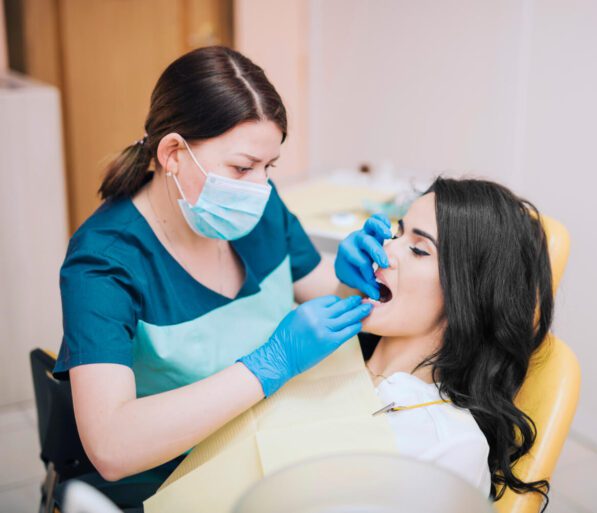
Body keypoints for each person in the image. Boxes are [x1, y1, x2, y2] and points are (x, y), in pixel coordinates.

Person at [52, 46, 378, 509]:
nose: (260, 187)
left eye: (270, 167)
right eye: (242, 167)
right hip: (167, 477)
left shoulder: (260, 208)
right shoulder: (104, 260)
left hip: (263, 441)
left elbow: (322, 291)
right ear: (173, 153)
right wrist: (270, 363)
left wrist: (352, 277)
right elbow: (111, 447)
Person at [338, 177, 554, 505]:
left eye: (418, 249)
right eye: (396, 232)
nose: (386, 249)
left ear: (467, 295)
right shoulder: (330, 354)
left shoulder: (453, 447)